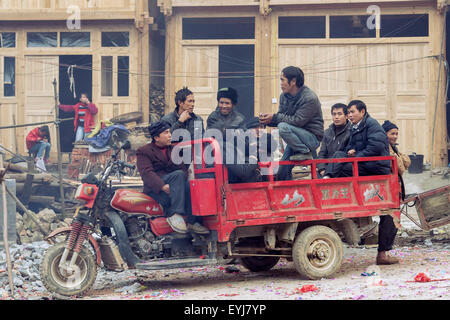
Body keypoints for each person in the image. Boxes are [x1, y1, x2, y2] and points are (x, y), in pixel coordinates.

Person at [322, 100, 398, 265]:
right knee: (338, 156)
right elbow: (351, 147)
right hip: (363, 164)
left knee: (389, 213)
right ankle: (327, 178)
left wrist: (356, 155)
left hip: (376, 168)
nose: (349, 115)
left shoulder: (372, 125)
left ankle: (383, 253)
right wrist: (349, 152)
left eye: (352, 112)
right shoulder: (355, 127)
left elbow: (375, 148)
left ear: (362, 112)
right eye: (348, 112)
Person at [136, 121, 209, 235]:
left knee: (191, 184)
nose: (170, 135)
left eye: (170, 132)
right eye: (166, 133)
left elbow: (183, 169)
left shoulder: (174, 149)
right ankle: (175, 214)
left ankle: (192, 222)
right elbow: (146, 173)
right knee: (178, 175)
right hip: (157, 191)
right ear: (156, 137)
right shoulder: (144, 151)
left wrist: (176, 184)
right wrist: (163, 186)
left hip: (175, 187)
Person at [260, 66, 324, 180]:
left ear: (293, 81)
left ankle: (305, 152)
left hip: (311, 138)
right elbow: (282, 117)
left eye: (282, 80)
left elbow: (297, 121)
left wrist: (275, 117)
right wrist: (268, 120)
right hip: (295, 139)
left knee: (283, 127)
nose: (280, 83)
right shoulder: (283, 96)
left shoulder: (310, 98)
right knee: (282, 171)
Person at [225, 117, 278, 183]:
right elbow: (245, 149)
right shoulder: (245, 138)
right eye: (255, 127)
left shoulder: (267, 136)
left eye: (261, 127)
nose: (259, 130)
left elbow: (273, 145)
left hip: (266, 170)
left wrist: (258, 145)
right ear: (249, 130)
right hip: (251, 171)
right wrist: (259, 149)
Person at [317, 103, 351, 177]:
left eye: (339, 114)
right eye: (334, 114)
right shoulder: (327, 132)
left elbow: (347, 155)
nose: (336, 117)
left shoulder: (351, 132)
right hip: (326, 168)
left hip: (342, 169)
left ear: (346, 116)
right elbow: (322, 153)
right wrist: (322, 169)